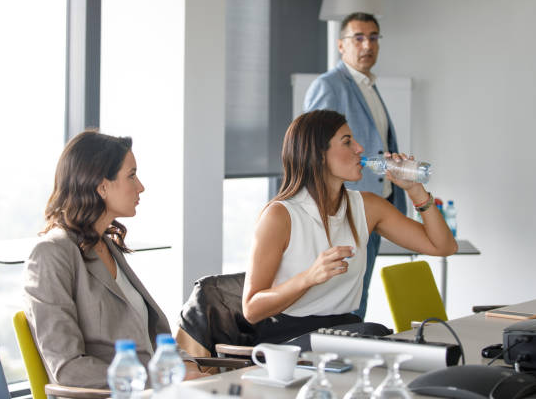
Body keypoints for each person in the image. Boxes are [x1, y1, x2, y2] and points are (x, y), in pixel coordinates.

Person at [242, 110, 456, 349]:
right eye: (347, 142)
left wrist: (415, 189)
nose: (360, 148)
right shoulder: (280, 216)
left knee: (385, 340)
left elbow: (443, 246)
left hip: (347, 330)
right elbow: (251, 309)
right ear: (319, 155)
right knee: (378, 336)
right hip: (286, 340)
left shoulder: (367, 206)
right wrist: (308, 277)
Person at [23, 131, 204, 389]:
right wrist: (160, 379)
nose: (141, 186)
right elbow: (68, 369)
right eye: (131, 175)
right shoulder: (51, 254)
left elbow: (151, 337)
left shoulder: (106, 245)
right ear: (102, 186)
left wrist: (185, 364)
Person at [304, 12, 406, 319]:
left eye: (373, 37)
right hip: (344, 208)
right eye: (358, 38)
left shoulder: (369, 86)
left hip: (373, 207)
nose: (367, 45)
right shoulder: (330, 86)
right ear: (340, 45)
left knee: (361, 290)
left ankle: (353, 348)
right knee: (343, 295)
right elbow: (315, 152)